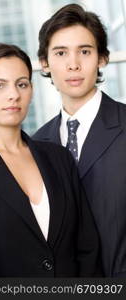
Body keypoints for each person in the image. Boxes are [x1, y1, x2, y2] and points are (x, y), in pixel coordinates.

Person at [0, 43, 101, 277]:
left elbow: (87, 247)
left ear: (31, 90)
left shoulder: (58, 157)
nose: (13, 94)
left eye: (22, 84)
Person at [33, 3, 126, 277]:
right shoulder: (38, 145)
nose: (73, 64)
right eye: (61, 53)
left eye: (84, 51)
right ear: (45, 63)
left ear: (102, 59)